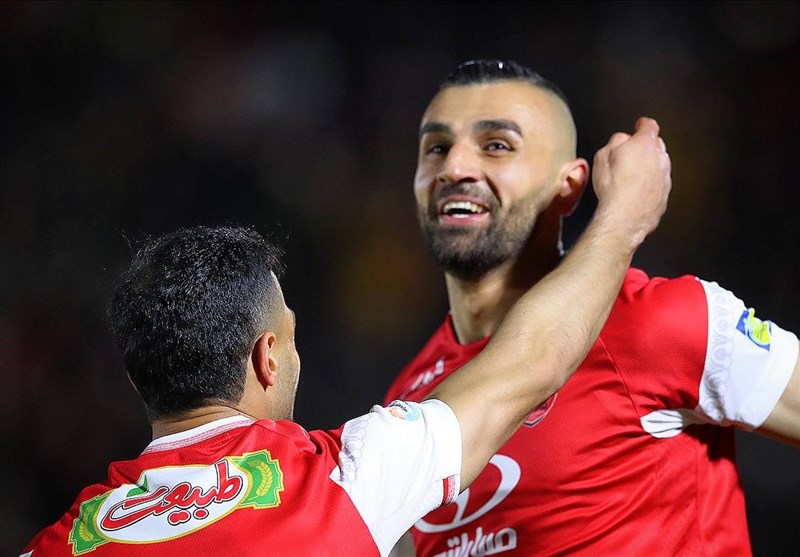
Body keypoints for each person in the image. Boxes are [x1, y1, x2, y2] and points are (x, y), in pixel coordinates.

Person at [18, 118, 671, 557]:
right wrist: (624, 216)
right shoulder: (339, 483)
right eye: (290, 337)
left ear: (138, 376)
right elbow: (533, 359)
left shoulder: (59, 542)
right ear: (267, 358)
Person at [384, 58, 800, 557]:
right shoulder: (411, 397)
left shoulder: (657, 322)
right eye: (437, 147)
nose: (454, 168)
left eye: (497, 146)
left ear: (569, 186)